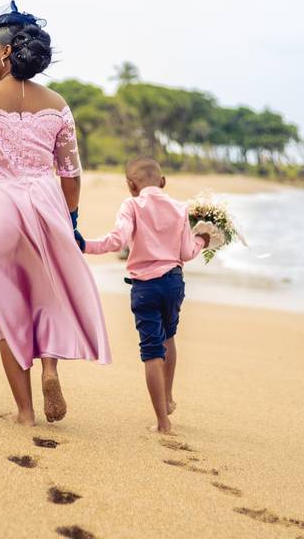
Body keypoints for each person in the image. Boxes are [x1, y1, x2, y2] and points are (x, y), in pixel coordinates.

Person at [0, 2, 110, 426]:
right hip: (46, 205)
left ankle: (24, 413)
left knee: (10, 308)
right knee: (46, 296)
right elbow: (71, 173)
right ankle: (51, 369)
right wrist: (70, 220)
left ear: (5, 53)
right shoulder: (57, 103)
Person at [78, 157, 209, 433]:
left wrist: (85, 244)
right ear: (162, 182)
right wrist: (201, 241)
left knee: (151, 350)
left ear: (131, 185)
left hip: (145, 288)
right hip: (174, 283)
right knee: (169, 337)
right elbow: (186, 254)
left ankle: (163, 422)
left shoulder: (132, 205)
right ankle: (169, 396)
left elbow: (117, 240)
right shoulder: (179, 208)